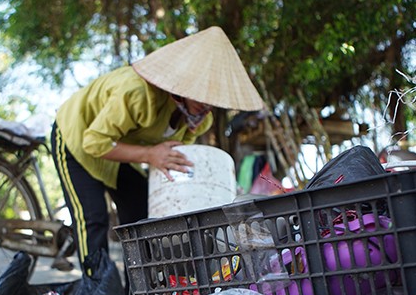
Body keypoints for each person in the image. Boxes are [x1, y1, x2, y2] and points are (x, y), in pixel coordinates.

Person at [50, 26, 263, 277]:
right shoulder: (136, 93)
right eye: (200, 94)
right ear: (181, 87)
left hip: (121, 149)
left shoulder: (198, 119)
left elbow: (176, 161)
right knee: (93, 218)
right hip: (78, 139)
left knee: (140, 216)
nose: (206, 105)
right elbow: (94, 143)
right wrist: (149, 155)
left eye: (211, 98)